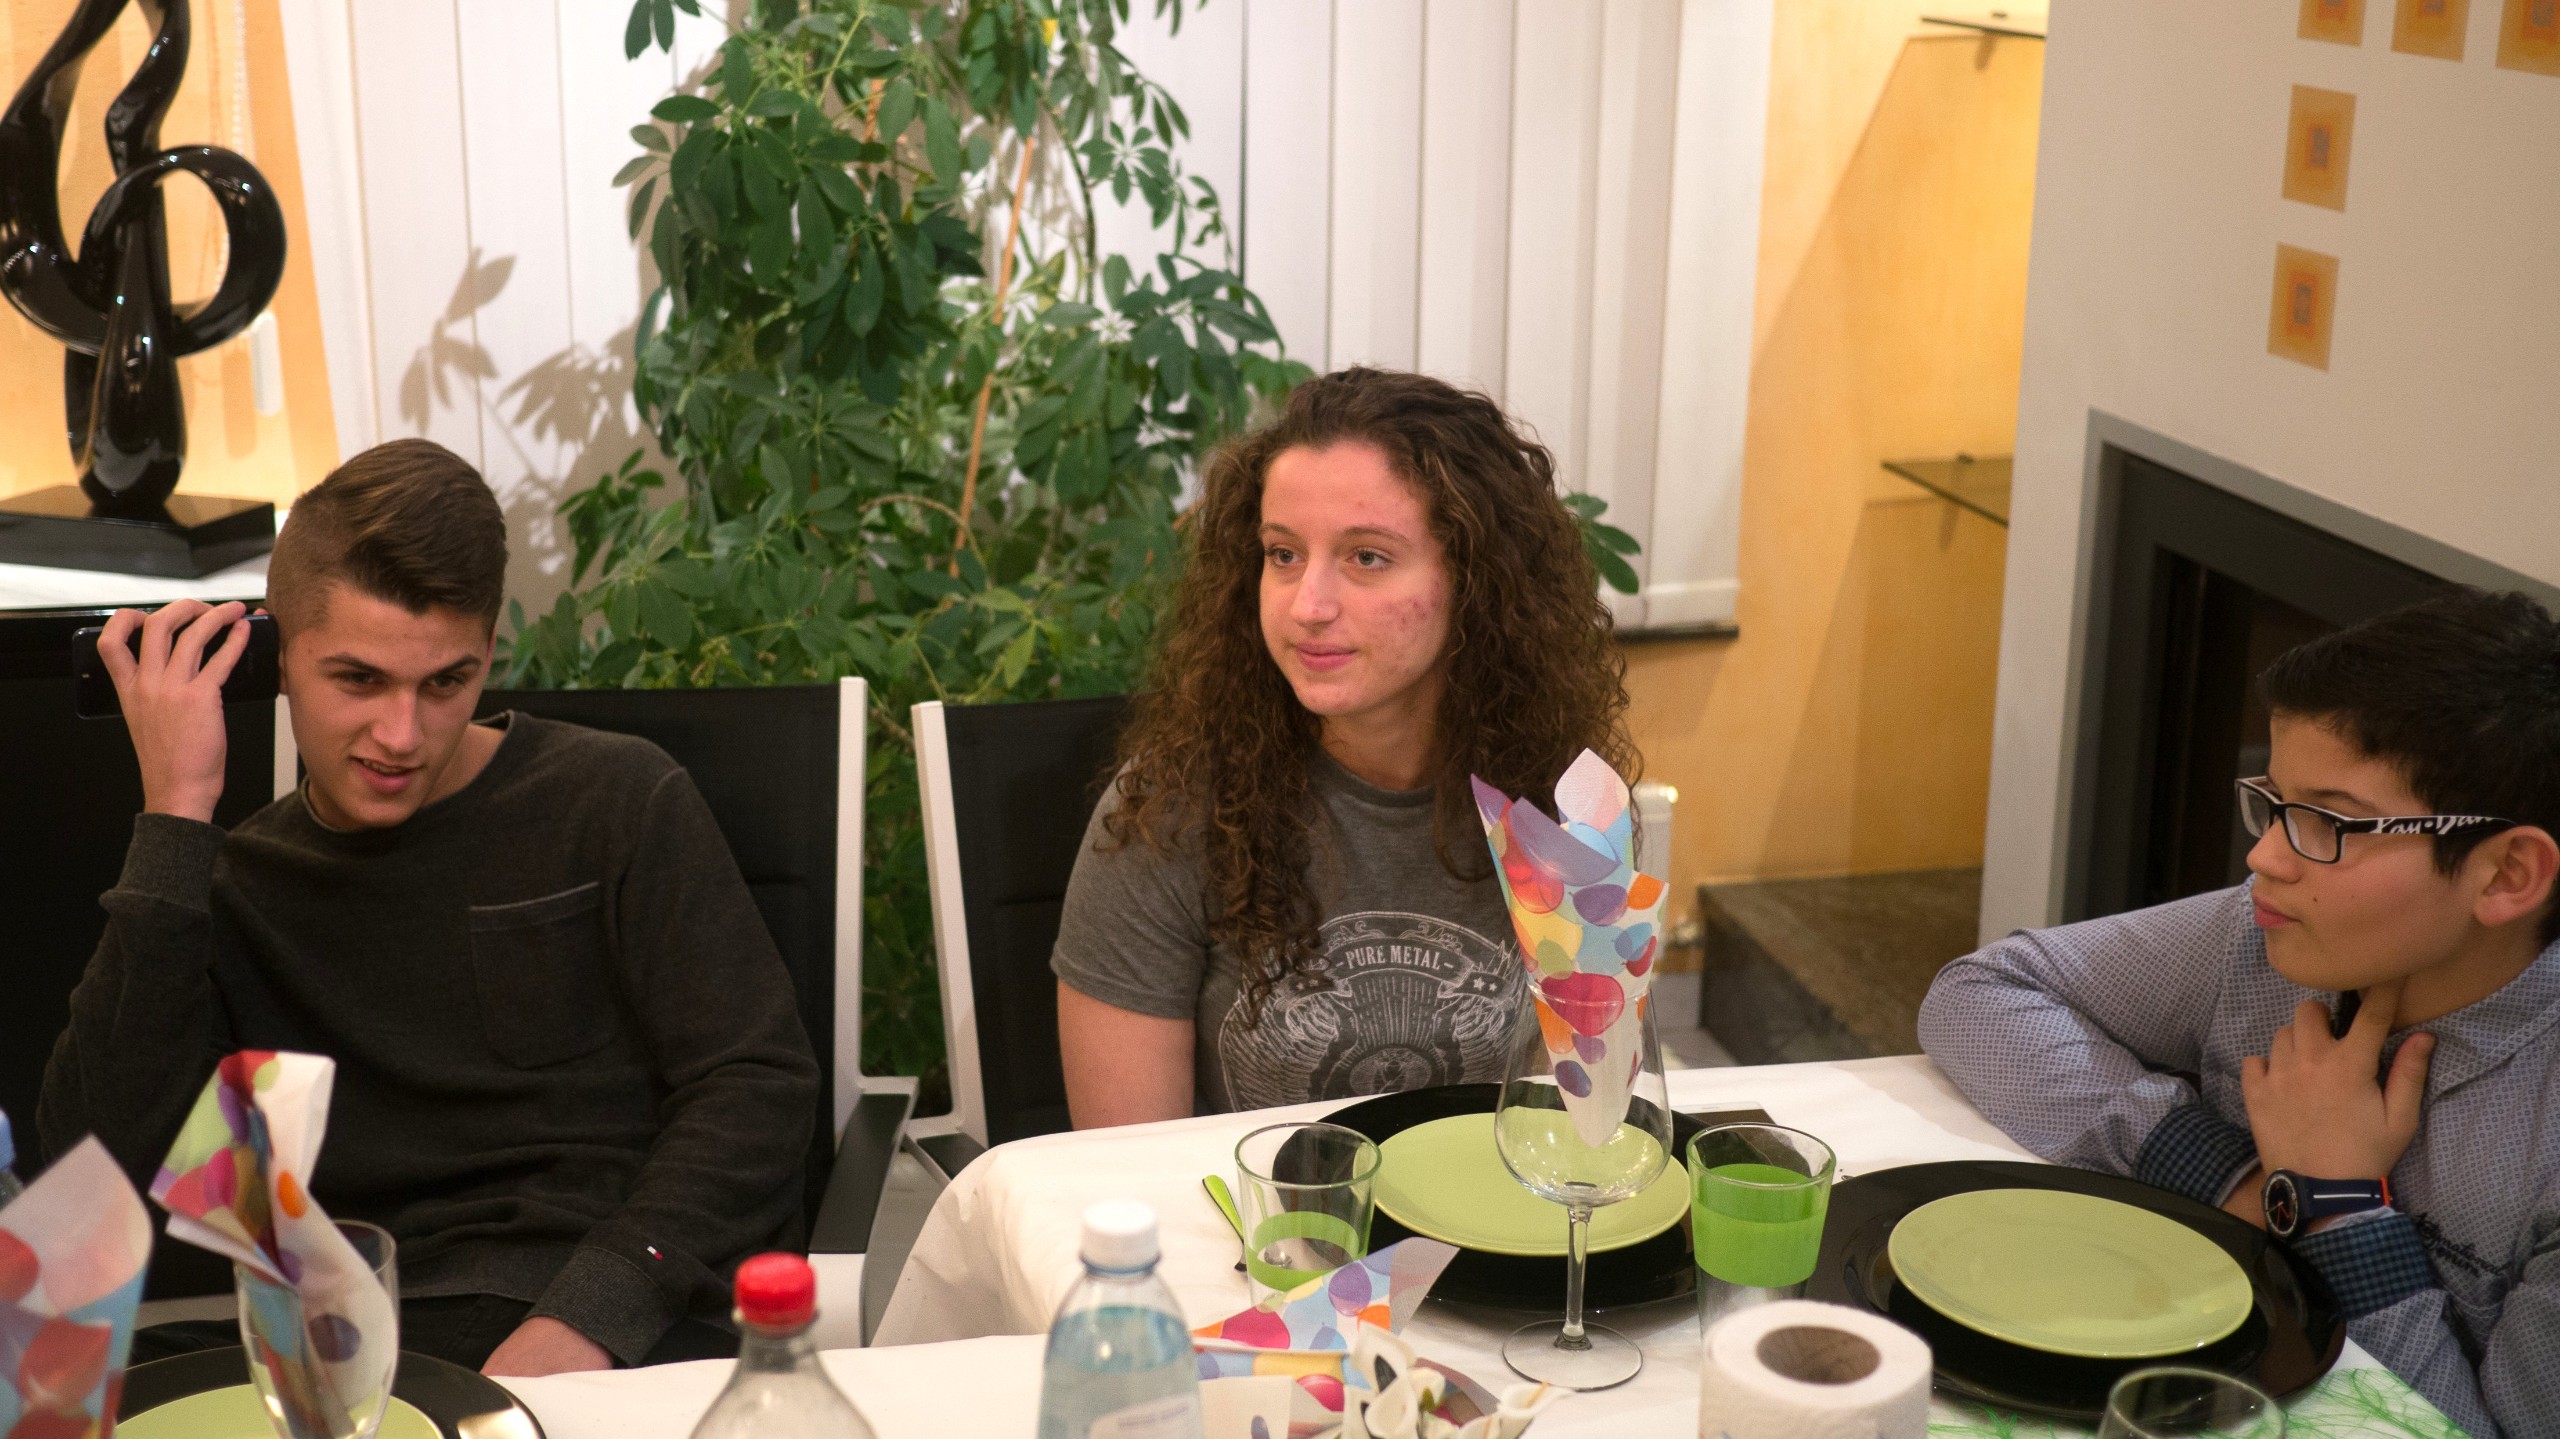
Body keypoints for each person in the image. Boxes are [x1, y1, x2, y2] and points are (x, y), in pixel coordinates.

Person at [42, 440, 819, 1376]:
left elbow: (756, 1087)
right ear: (277, 657)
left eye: (446, 681)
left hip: (599, 1318)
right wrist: (175, 814)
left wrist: (597, 1311)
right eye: (359, 679)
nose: (401, 733)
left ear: (488, 653)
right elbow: (100, 1161)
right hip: (346, 1338)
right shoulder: (231, 881)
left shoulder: (614, 800)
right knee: (46, 1392)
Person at [1918, 588, 2560, 1437]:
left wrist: (2335, 1204)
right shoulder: (2267, 940)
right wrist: (2237, 1178)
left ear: (2507, 874)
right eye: (2274, 803)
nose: (2263, 855)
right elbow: (1980, 996)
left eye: (2328, 822)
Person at [1051, 367, 1638, 1126]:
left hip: (1487, 1198)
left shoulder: (1570, 803)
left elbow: (1589, 1121)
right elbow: (1125, 1167)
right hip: (1237, 1205)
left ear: (1476, 581)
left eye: (1367, 557)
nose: (1308, 606)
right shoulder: (1169, 812)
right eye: (1282, 554)